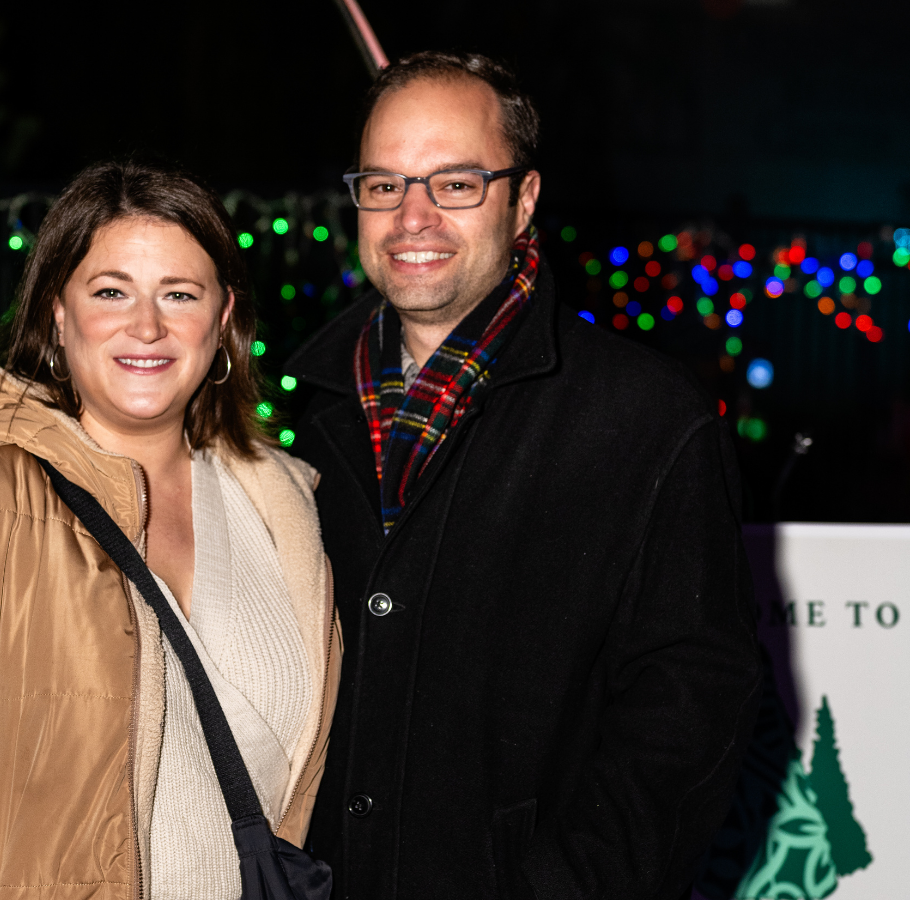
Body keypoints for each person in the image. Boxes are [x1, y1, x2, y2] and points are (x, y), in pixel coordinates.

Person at [0, 160, 341, 900]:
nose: (146, 325)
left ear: (224, 316)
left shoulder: (281, 503)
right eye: (111, 292)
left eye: (179, 294)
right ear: (56, 311)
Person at [284, 52, 761, 900]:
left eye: (455, 184)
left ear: (524, 198)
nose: (411, 217)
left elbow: (689, 714)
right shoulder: (290, 414)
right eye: (385, 184)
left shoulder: (647, 419)